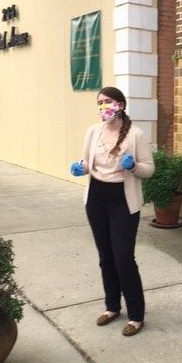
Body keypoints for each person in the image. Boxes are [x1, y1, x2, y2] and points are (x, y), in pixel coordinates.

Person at [70, 86, 154, 336]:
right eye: (99, 102)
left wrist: (134, 166)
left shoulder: (136, 134)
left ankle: (136, 315)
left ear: (120, 105)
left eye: (107, 101)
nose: (103, 106)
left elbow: (149, 169)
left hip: (122, 200)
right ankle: (112, 307)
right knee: (105, 256)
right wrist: (80, 167)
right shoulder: (92, 132)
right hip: (96, 197)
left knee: (123, 258)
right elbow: (87, 161)